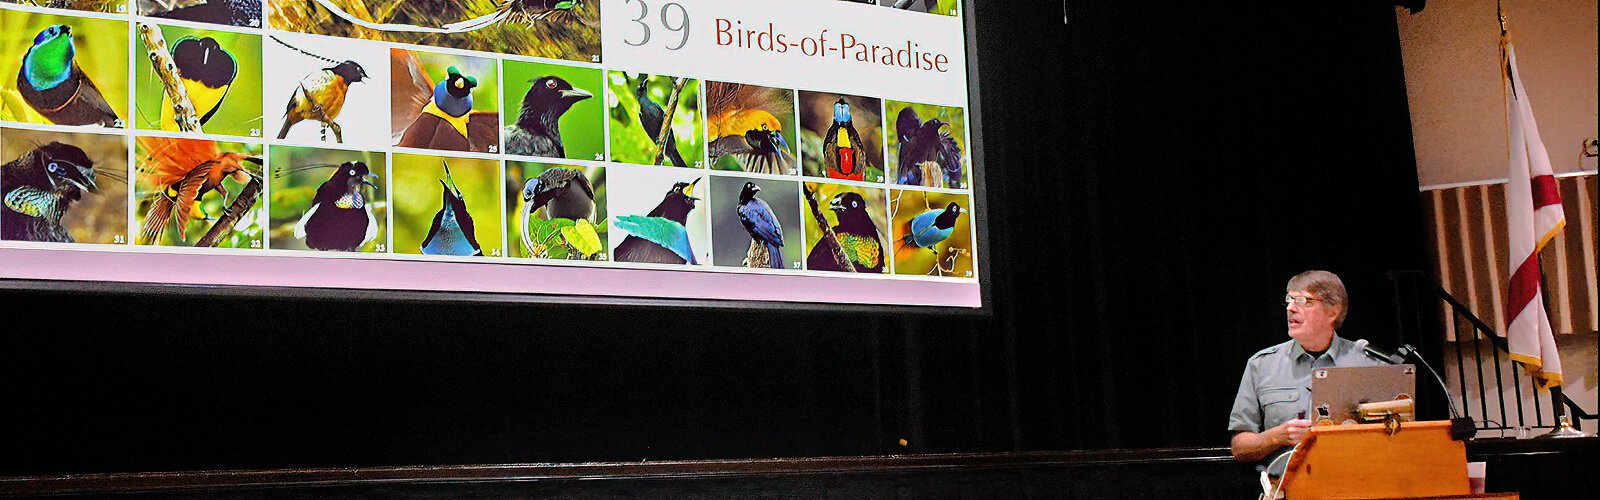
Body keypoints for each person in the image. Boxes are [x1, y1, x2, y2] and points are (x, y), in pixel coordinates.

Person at [1228, 270, 1383, 477]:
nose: (1291, 308)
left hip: (1357, 484)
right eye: (1289, 300)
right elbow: (1240, 447)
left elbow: (1393, 436)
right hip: (1287, 489)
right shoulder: (1262, 364)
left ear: (1332, 312)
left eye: (1303, 301)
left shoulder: (1369, 363)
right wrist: (1278, 436)